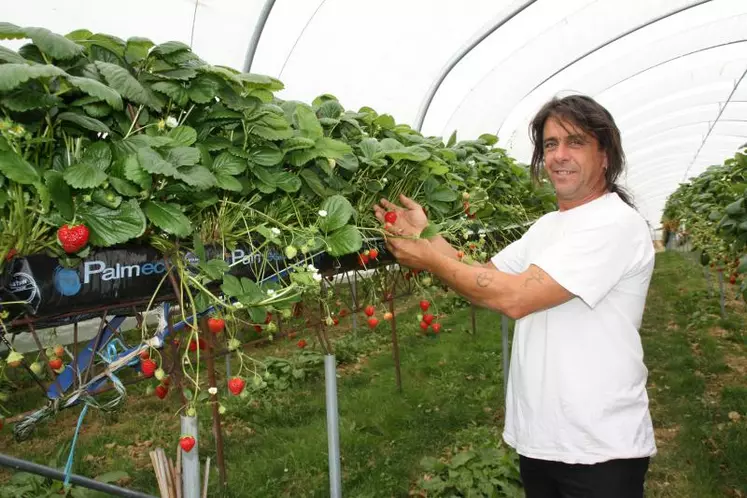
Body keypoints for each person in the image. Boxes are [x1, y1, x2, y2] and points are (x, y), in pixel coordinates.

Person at [373, 94, 656, 498]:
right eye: (550, 144)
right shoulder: (547, 226)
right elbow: (486, 275)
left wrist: (429, 260)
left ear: (606, 154)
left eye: (575, 142)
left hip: (599, 447)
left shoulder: (614, 224)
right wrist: (426, 235)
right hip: (541, 438)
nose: (559, 155)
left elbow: (515, 297)